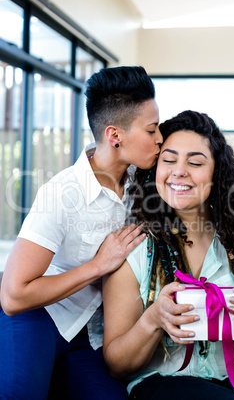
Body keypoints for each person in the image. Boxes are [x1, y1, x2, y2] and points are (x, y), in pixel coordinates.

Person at [0, 66, 163, 400]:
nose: (160, 138)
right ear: (114, 135)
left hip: (92, 331)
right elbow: (13, 297)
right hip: (41, 315)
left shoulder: (145, 181)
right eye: (152, 129)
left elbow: (195, 196)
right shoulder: (61, 193)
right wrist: (99, 265)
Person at [102, 110, 234, 400]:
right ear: (155, 170)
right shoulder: (135, 247)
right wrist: (153, 319)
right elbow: (117, 366)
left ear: (217, 174)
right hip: (165, 383)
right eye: (169, 159)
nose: (179, 170)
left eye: (195, 162)